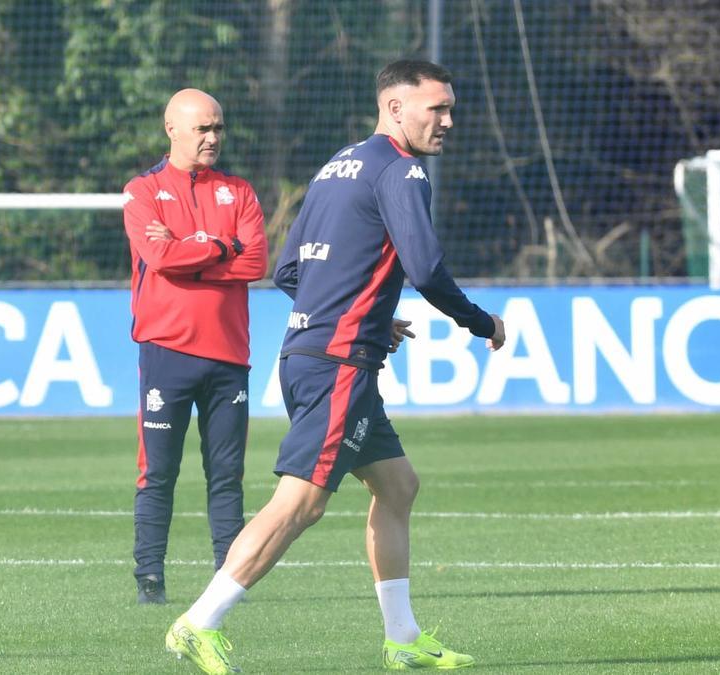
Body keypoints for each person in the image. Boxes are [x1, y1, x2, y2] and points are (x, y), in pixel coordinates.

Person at [164, 60, 506, 672]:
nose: (449, 121)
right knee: (301, 504)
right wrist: (481, 321)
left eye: (451, 108)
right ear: (396, 108)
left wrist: (370, 318)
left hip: (312, 352)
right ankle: (199, 621)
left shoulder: (338, 165)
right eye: (438, 108)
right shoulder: (403, 172)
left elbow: (289, 271)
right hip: (338, 362)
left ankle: (402, 638)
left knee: (398, 486)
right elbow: (425, 270)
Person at [121, 88, 268, 605]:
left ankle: (229, 582)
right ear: (172, 130)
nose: (213, 137)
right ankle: (150, 579)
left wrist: (194, 249)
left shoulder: (240, 192)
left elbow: (255, 264)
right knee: (158, 472)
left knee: (226, 475)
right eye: (203, 128)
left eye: (218, 128)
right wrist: (221, 244)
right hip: (166, 352)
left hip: (229, 356)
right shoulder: (142, 191)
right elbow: (158, 257)